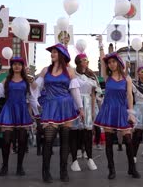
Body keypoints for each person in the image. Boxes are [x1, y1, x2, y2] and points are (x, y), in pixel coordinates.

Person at [36, 43, 84, 183]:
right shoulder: (45, 70)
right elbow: (36, 88)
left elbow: (75, 90)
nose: (52, 54)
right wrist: (35, 103)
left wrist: (80, 108)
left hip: (66, 107)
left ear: (62, 55)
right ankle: (46, 171)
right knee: (49, 140)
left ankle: (63, 171)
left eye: (55, 52)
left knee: (65, 141)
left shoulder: (69, 71)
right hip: (51, 107)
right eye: (52, 52)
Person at [94, 35, 140, 180]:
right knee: (108, 141)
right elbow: (102, 61)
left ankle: (132, 168)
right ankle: (111, 169)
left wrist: (131, 113)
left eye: (114, 61)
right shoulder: (106, 77)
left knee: (128, 140)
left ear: (119, 63)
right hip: (108, 109)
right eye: (109, 62)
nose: (111, 64)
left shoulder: (127, 78)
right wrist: (101, 45)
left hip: (121, 109)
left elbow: (130, 96)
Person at [0, 57, 35, 177]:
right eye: (14, 64)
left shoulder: (26, 80)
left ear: (22, 66)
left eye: (19, 64)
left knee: (22, 140)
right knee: (6, 139)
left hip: (22, 110)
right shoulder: (6, 80)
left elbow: (32, 96)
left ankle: (19, 166)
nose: (17, 66)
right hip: (9, 109)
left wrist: (35, 113)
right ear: (11, 66)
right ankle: (5, 165)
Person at [70, 53, 99, 172]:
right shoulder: (72, 75)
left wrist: (92, 111)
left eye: (87, 60)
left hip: (87, 105)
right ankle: (74, 160)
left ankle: (90, 158)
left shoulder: (91, 77)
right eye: (83, 60)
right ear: (78, 62)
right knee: (75, 133)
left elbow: (93, 95)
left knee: (87, 132)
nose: (86, 62)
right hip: (75, 105)